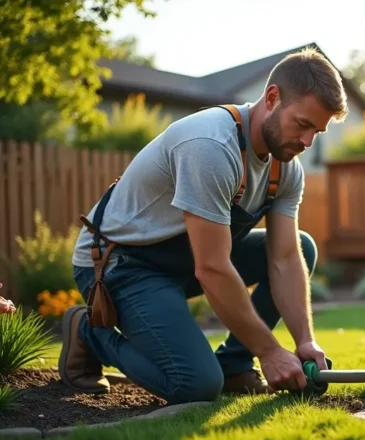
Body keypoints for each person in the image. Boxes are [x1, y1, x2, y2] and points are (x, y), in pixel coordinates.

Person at [59, 47, 349, 404]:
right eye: (302, 125)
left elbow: (285, 259)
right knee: (194, 383)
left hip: (182, 263)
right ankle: (88, 331)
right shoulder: (211, 146)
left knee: (302, 247)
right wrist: (271, 351)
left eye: (317, 132)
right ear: (272, 97)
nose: (307, 142)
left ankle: (234, 365)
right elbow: (211, 268)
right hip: (120, 264)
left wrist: (305, 340)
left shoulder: (285, 167)